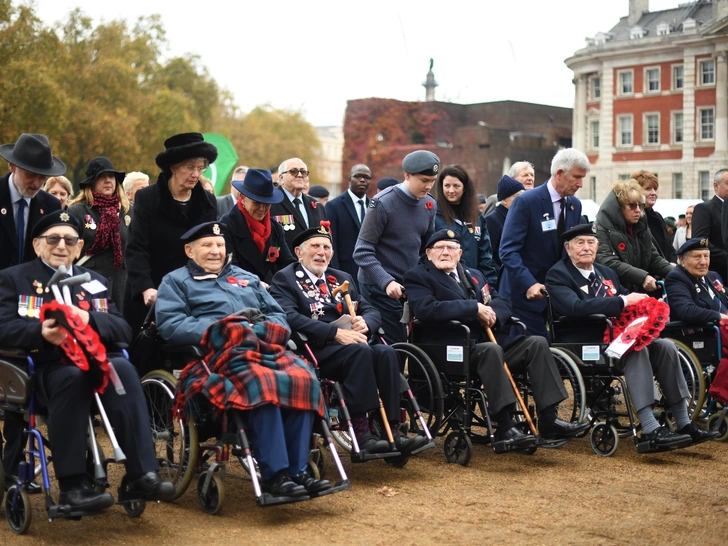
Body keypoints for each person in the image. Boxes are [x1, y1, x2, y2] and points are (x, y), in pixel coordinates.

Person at [0, 210, 175, 510]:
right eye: (53, 239)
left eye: (70, 240)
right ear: (37, 245)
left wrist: (90, 319)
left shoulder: (94, 281)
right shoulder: (14, 279)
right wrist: (40, 332)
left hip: (97, 364)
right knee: (72, 378)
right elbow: (3, 328)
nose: (61, 246)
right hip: (43, 369)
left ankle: (142, 474)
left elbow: (122, 329)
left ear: (80, 247)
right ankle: (73, 485)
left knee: (122, 367)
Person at [155, 221, 329, 496]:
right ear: (189, 250)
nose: (215, 251)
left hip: (264, 348)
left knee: (304, 378)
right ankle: (276, 474)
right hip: (218, 355)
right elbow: (171, 324)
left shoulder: (245, 277)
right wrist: (223, 330)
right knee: (262, 383)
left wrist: (262, 330)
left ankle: (299, 470)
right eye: (207, 245)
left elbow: (278, 316)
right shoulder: (176, 282)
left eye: (220, 245)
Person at [403, 229, 588, 446]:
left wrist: (492, 314)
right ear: (428, 252)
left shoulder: (474, 275)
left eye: (451, 248)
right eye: (439, 248)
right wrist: (474, 308)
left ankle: (548, 419)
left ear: (460, 253)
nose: (445, 252)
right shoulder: (417, 276)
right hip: (449, 348)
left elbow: (502, 301)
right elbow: (427, 309)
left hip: (486, 344)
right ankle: (505, 425)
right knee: (491, 351)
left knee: (536, 343)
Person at [545, 224, 717, 449]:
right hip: (584, 342)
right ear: (568, 248)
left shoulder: (606, 273)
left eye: (591, 242)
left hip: (618, 340)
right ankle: (649, 427)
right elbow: (574, 307)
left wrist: (649, 308)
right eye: (580, 243)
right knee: (636, 350)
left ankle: (684, 421)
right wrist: (622, 302)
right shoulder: (558, 274)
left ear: (597, 246)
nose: (586, 248)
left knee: (665, 345)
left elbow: (629, 300)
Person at [270, 226, 428, 458]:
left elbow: (370, 308)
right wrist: (334, 334)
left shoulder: (341, 278)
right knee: (360, 353)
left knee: (386, 352)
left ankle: (392, 430)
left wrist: (367, 323)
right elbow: (289, 317)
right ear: (298, 252)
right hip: (315, 350)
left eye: (326, 248)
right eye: (315, 246)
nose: (321, 252)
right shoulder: (285, 278)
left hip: (352, 345)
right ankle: (361, 431)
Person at [0, 133, 64, 491]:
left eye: (42, 175)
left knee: (21, 387)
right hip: (1, 304)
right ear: (12, 166)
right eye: (31, 174)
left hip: (31, 308)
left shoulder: (49, 208)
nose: (37, 182)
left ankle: (15, 468)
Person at [123, 132, 218, 334]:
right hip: (152, 293)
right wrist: (145, 287)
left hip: (194, 293)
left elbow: (211, 247)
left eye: (200, 168)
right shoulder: (147, 198)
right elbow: (136, 248)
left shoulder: (208, 203)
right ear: (173, 167)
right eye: (190, 167)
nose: (196, 174)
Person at [499, 148, 589, 337]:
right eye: (576, 177)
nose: (581, 184)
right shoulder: (526, 201)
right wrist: (529, 284)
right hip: (523, 297)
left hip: (557, 296)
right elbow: (508, 250)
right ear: (559, 174)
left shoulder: (575, 205)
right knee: (533, 353)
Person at [354, 150, 439, 343]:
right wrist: (387, 281)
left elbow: (428, 249)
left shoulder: (430, 204)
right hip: (378, 286)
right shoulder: (383, 203)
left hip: (408, 286)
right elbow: (362, 252)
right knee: (392, 345)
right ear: (407, 175)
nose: (428, 186)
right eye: (424, 180)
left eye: (432, 180)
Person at [67, 157, 131, 310]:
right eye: (101, 177)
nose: (108, 180)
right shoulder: (77, 211)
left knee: (117, 330)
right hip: (87, 284)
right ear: (91, 182)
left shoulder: (128, 211)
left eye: (111, 176)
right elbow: (68, 252)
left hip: (121, 287)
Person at [595, 179, 672, 294]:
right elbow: (608, 262)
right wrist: (642, 277)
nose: (638, 210)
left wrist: (678, 273)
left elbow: (653, 257)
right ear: (619, 207)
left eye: (640, 206)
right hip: (613, 293)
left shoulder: (640, 226)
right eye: (632, 205)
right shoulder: (600, 228)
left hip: (637, 292)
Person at [221, 168, 295, 285]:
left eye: (267, 203)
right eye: (256, 202)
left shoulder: (275, 228)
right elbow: (230, 267)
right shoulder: (227, 225)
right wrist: (255, 283)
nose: (262, 208)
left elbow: (287, 262)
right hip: (240, 292)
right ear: (243, 198)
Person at [434, 164, 497, 286]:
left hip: (473, 283)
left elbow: (485, 255)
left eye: (456, 186)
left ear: (464, 188)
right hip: (443, 284)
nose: (451, 190)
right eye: (447, 186)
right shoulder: (434, 216)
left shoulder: (477, 217)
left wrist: (488, 285)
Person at [326, 164, 373, 287]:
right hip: (344, 269)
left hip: (370, 272)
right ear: (349, 179)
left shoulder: (375, 206)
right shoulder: (333, 206)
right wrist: (335, 272)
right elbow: (331, 241)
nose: (362, 180)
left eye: (366, 177)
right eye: (358, 176)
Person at [269, 157, 326, 249]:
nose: (299, 175)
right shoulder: (270, 203)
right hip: (284, 262)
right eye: (293, 171)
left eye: (303, 172)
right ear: (281, 178)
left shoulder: (317, 206)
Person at [631, 169, 677, 263]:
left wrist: (672, 263)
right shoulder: (633, 218)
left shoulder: (658, 217)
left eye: (655, 189)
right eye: (648, 189)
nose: (653, 193)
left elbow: (669, 247)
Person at [485, 175, 525, 269]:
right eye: (517, 197)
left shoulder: (519, 216)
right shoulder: (492, 220)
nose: (522, 200)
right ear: (504, 200)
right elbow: (488, 255)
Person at [696, 168, 728, 277]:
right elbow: (701, 240)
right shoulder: (704, 209)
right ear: (716, 186)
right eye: (727, 183)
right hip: (718, 272)